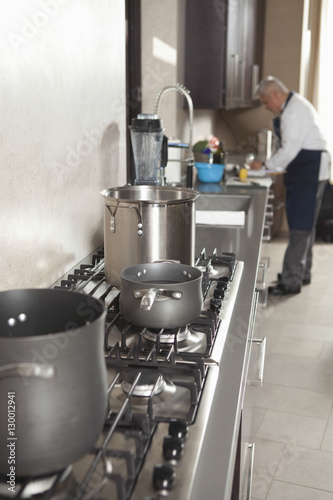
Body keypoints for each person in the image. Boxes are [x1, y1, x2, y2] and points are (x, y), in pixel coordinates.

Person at [250, 76, 330, 296]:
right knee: (304, 225)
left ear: (274, 94)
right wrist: (268, 165)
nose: (266, 107)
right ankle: (301, 273)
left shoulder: (294, 111)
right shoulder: (289, 109)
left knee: (300, 228)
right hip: (306, 171)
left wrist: (265, 167)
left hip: (309, 171)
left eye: (266, 102)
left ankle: (291, 281)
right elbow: (282, 147)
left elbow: (288, 151)